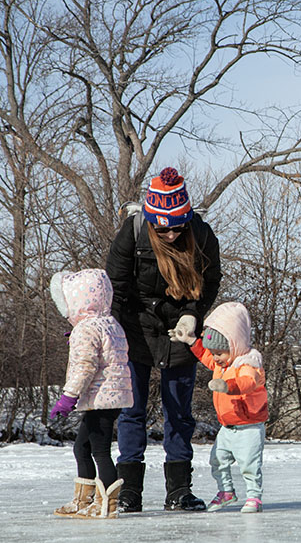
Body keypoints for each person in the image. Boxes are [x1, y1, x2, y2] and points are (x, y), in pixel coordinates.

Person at [106, 167, 222, 512]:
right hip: (136, 327)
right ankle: (128, 492)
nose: (170, 233)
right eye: (163, 227)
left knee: (178, 411)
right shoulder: (134, 230)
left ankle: (179, 490)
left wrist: (193, 313)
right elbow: (115, 284)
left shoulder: (200, 234)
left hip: (180, 331)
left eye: (176, 226)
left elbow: (211, 279)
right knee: (132, 410)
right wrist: (110, 330)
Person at [48, 269, 133, 519]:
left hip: (99, 399)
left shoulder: (86, 329)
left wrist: (68, 396)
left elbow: (85, 367)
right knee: (81, 447)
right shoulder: (110, 323)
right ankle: (83, 500)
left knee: (99, 450)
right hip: (111, 397)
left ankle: (106, 502)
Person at [173, 301, 267, 513]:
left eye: (220, 353)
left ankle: (254, 497)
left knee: (249, 465)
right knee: (217, 460)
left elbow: (247, 383)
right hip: (227, 426)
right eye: (213, 353)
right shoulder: (221, 361)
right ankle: (226, 492)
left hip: (249, 426)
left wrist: (227, 386)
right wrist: (190, 340)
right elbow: (206, 356)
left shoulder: (248, 363)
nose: (215, 358)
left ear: (234, 345)